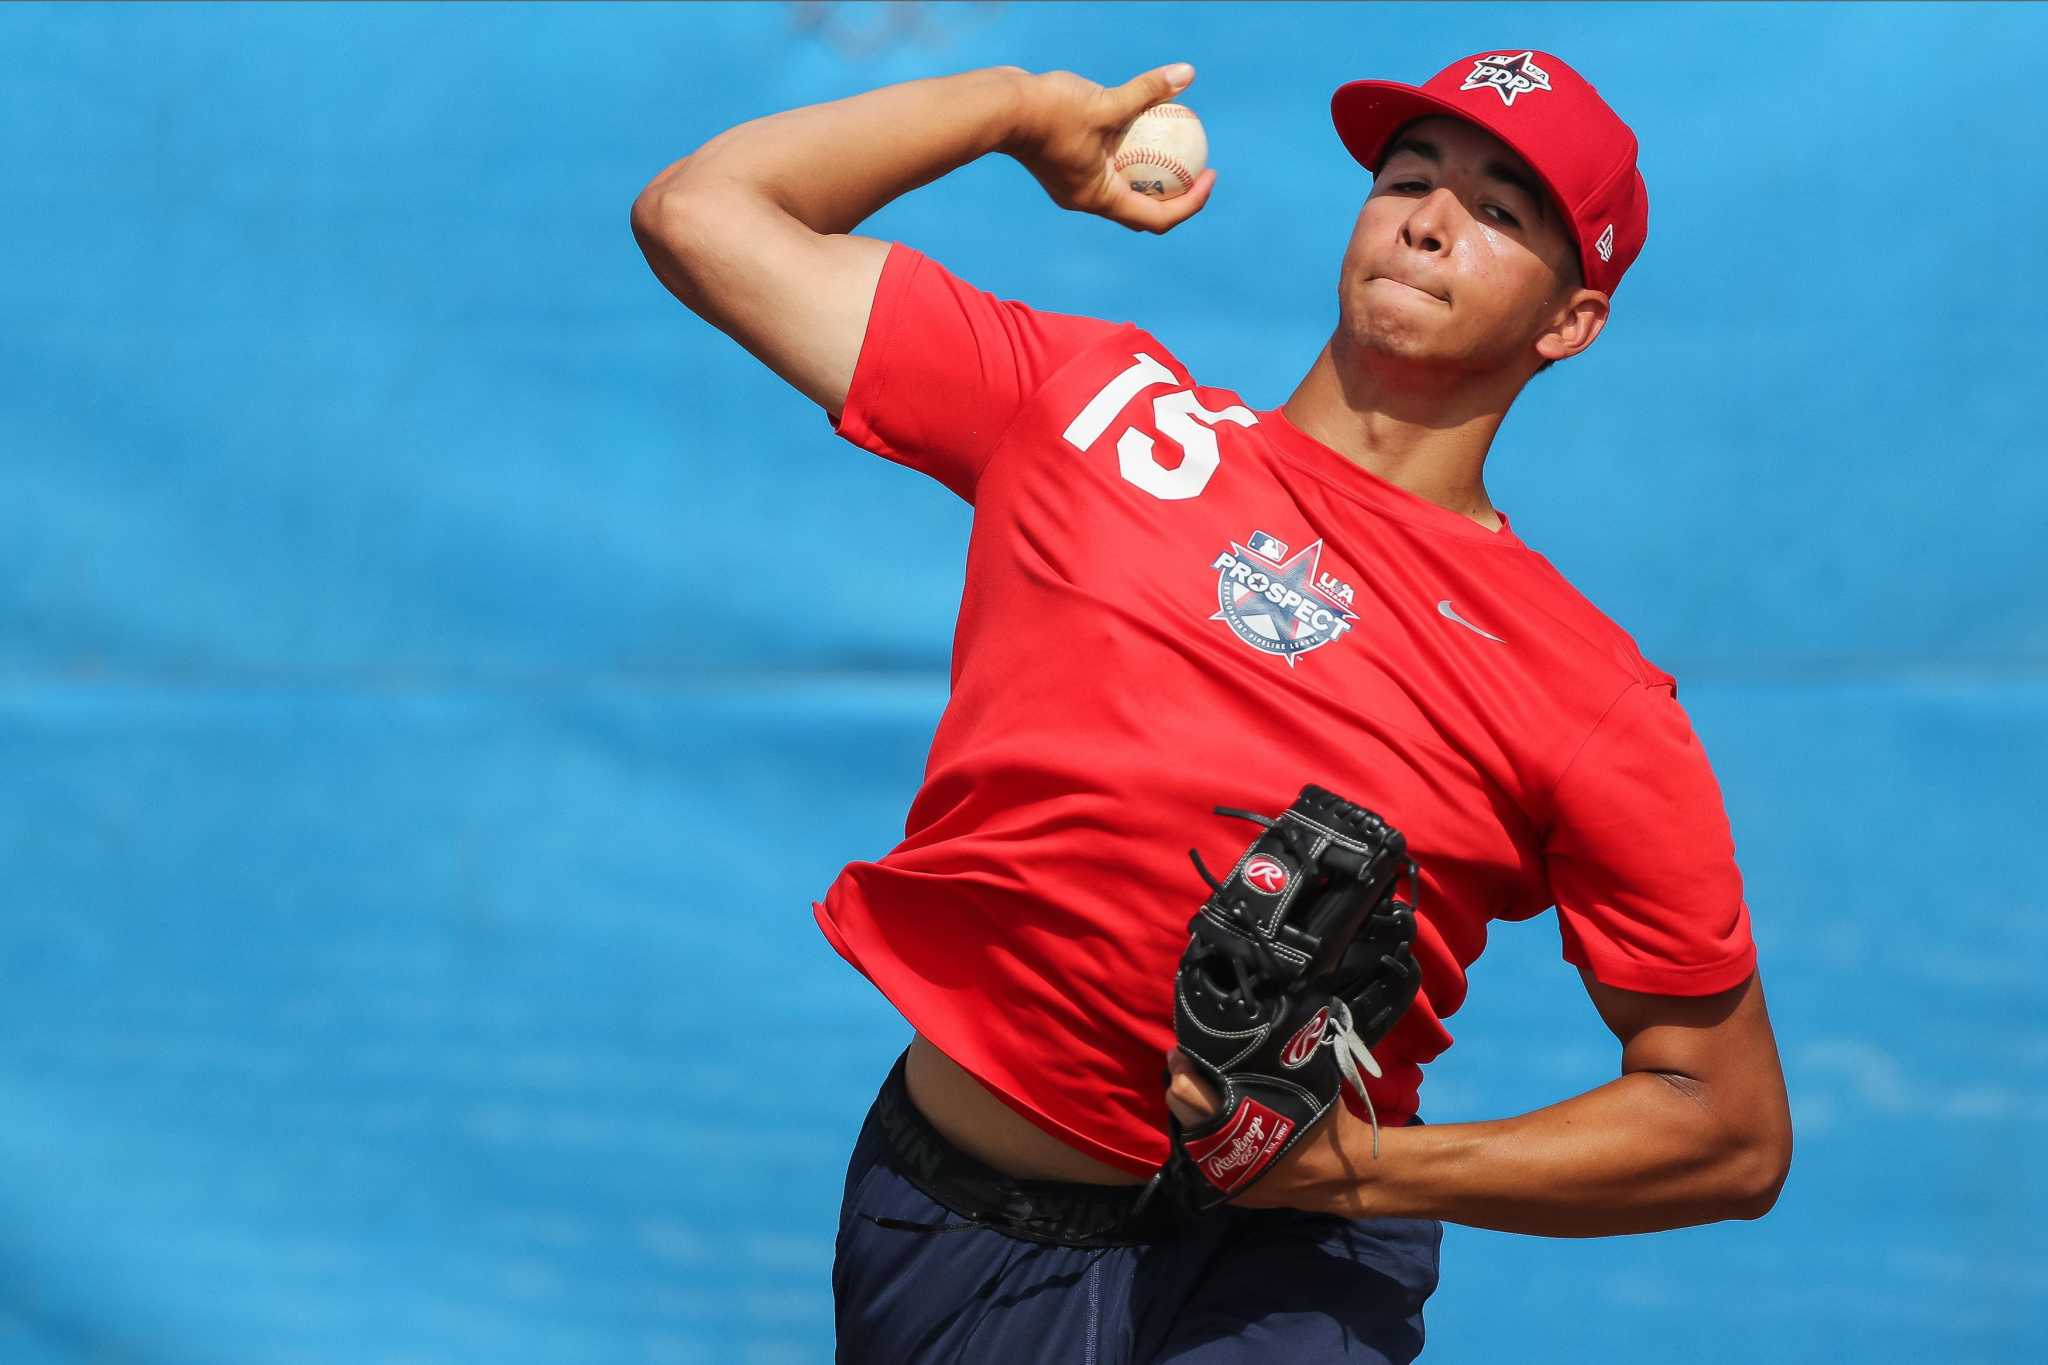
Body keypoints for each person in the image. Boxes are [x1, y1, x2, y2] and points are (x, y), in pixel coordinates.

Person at [632, 46, 1793, 1364]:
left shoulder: (1582, 686)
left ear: (1570, 320)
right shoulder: (1091, 409)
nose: (1427, 217)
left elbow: (1729, 1125)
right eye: (1410, 176)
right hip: (965, 1224)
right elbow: (702, 213)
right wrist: (1015, 110)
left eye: (1500, 210)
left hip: (1293, 1269)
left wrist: (1359, 1173)